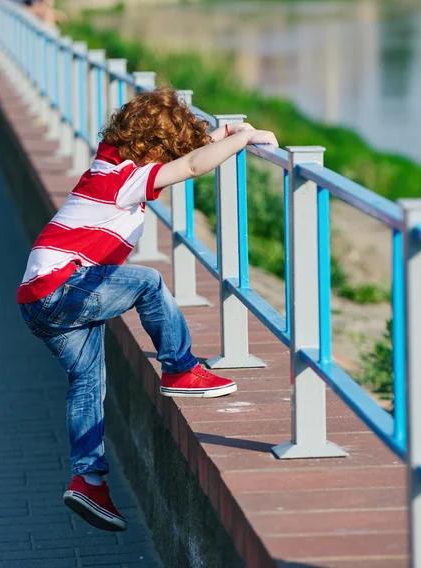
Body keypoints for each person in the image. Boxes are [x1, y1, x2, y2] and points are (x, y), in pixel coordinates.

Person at [18, 88, 278, 532]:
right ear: (152, 148)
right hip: (64, 289)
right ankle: (180, 369)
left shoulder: (110, 160)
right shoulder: (124, 181)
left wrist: (221, 133)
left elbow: (184, 158)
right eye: (164, 152)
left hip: (40, 297)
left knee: (86, 382)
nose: (167, 164)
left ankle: (88, 480)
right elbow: (193, 166)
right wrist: (244, 140)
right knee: (148, 282)